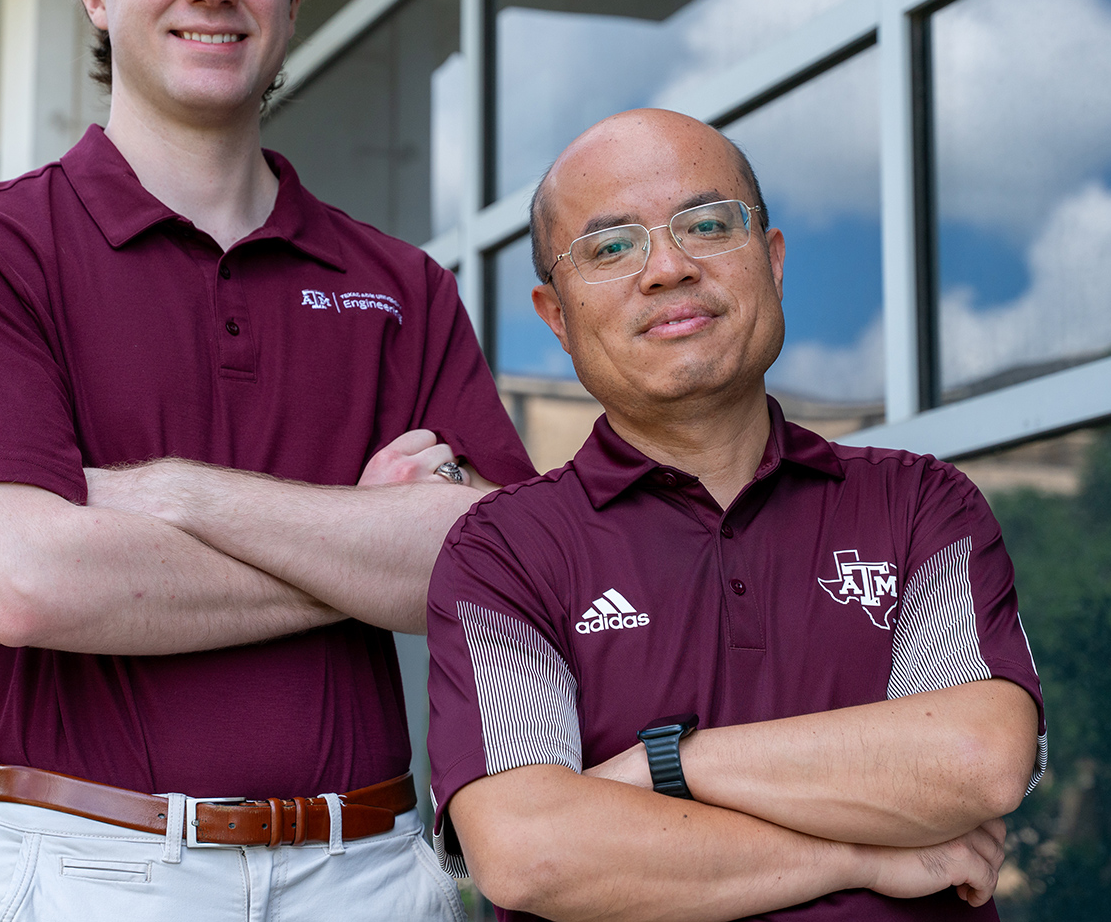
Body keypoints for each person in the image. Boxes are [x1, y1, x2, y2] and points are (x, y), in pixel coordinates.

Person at [0, 0, 536, 921]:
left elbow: (488, 562)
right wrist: (354, 538)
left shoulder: (399, 286)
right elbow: (23, 585)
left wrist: (174, 498)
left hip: (364, 868)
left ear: (289, 0)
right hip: (95, 865)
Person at [425, 109, 1046, 921]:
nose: (668, 267)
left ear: (773, 260)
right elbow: (532, 850)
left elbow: (973, 762)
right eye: (612, 247)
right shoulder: (505, 551)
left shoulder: (920, 505)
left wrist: (662, 767)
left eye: (708, 225)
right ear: (557, 317)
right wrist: (864, 853)